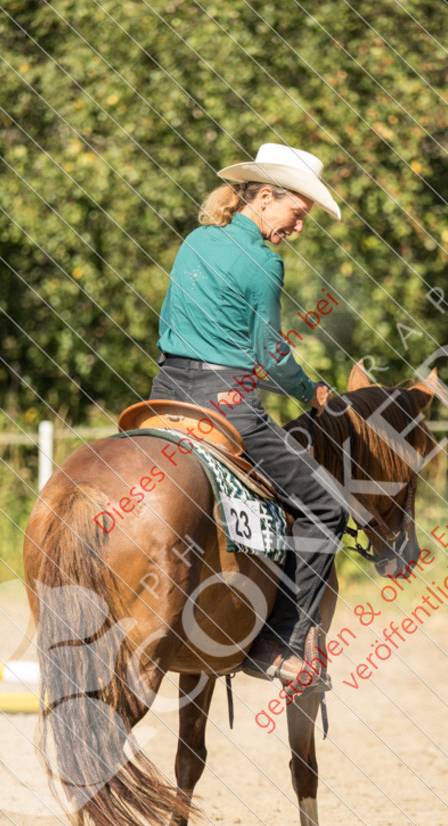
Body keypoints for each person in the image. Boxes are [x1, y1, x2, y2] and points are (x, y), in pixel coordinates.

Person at [149, 143, 347, 691]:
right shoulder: (265, 261)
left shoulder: (196, 240)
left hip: (165, 394)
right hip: (226, 405)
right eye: (296, 213)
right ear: (263, 197)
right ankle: (277, 643)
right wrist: (312, 393)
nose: (298, 228)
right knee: (326, 507)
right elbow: (270, 355)